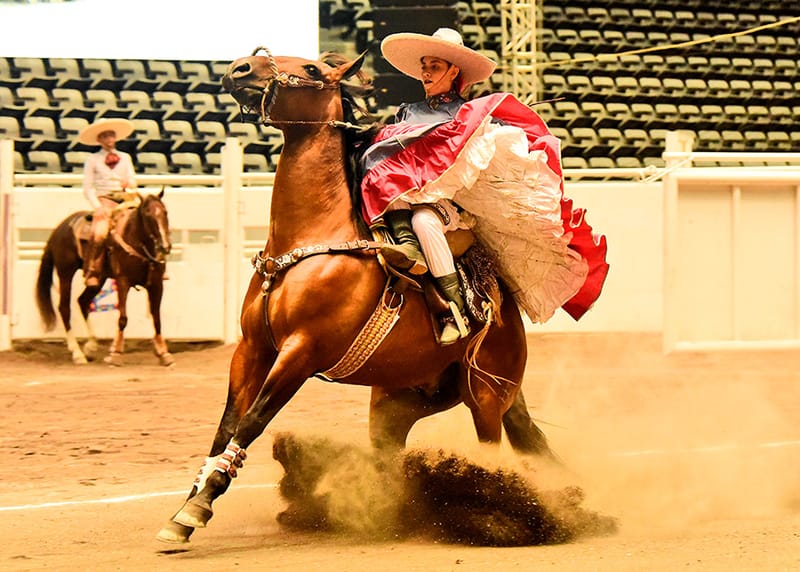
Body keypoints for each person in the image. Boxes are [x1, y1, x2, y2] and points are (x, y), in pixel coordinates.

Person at [359, 28, 609, 345]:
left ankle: (453, 311)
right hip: (402, 202)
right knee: (381, 182)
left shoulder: (471, 115)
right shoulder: (407, 112)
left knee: (424, 221)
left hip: (445, 206)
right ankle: (403, 250)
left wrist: (485, 128)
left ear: (454, 71)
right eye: (424, 65)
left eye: (434, 66)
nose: (425, 72)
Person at [78, 117, 137, 288]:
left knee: (149, 221)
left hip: (125, 198)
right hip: (104, 199)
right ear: (99, 140)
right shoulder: (93, 160)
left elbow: (133, 180)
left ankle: (155, 264)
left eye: (111, 136)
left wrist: (129, 184)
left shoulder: (125, 158)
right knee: (99, 233)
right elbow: (87, 187)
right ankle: (92, 270)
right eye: (105, 136)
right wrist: (98, 207)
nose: (109, 140)